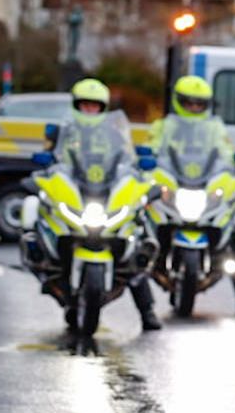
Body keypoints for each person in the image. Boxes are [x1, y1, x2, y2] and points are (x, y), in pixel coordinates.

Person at [49, 77, 164, 331]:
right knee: (48, 217)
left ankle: (147, 312)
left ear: (103, 108)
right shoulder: (65, 131)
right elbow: (54, 159)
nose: (90, 110)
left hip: (105, 189)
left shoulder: (113, 132)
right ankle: (59, 283)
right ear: (76, 106)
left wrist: (134, 174)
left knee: (134, 244)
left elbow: (126, 158)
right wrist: (50, 171)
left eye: (95, 106)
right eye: (85, 105)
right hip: (78, 188)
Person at [148, 75, 235, 315]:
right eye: (189, 103)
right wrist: (148, 168)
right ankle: (145, 309)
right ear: (179, 102)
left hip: (204, 186)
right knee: (140, 234)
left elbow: (227, 153)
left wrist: (234, 174)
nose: (194, 108)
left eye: (199, 103)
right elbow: (152, 151)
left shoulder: (214, 128)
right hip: (177, 185)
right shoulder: (165, 127)